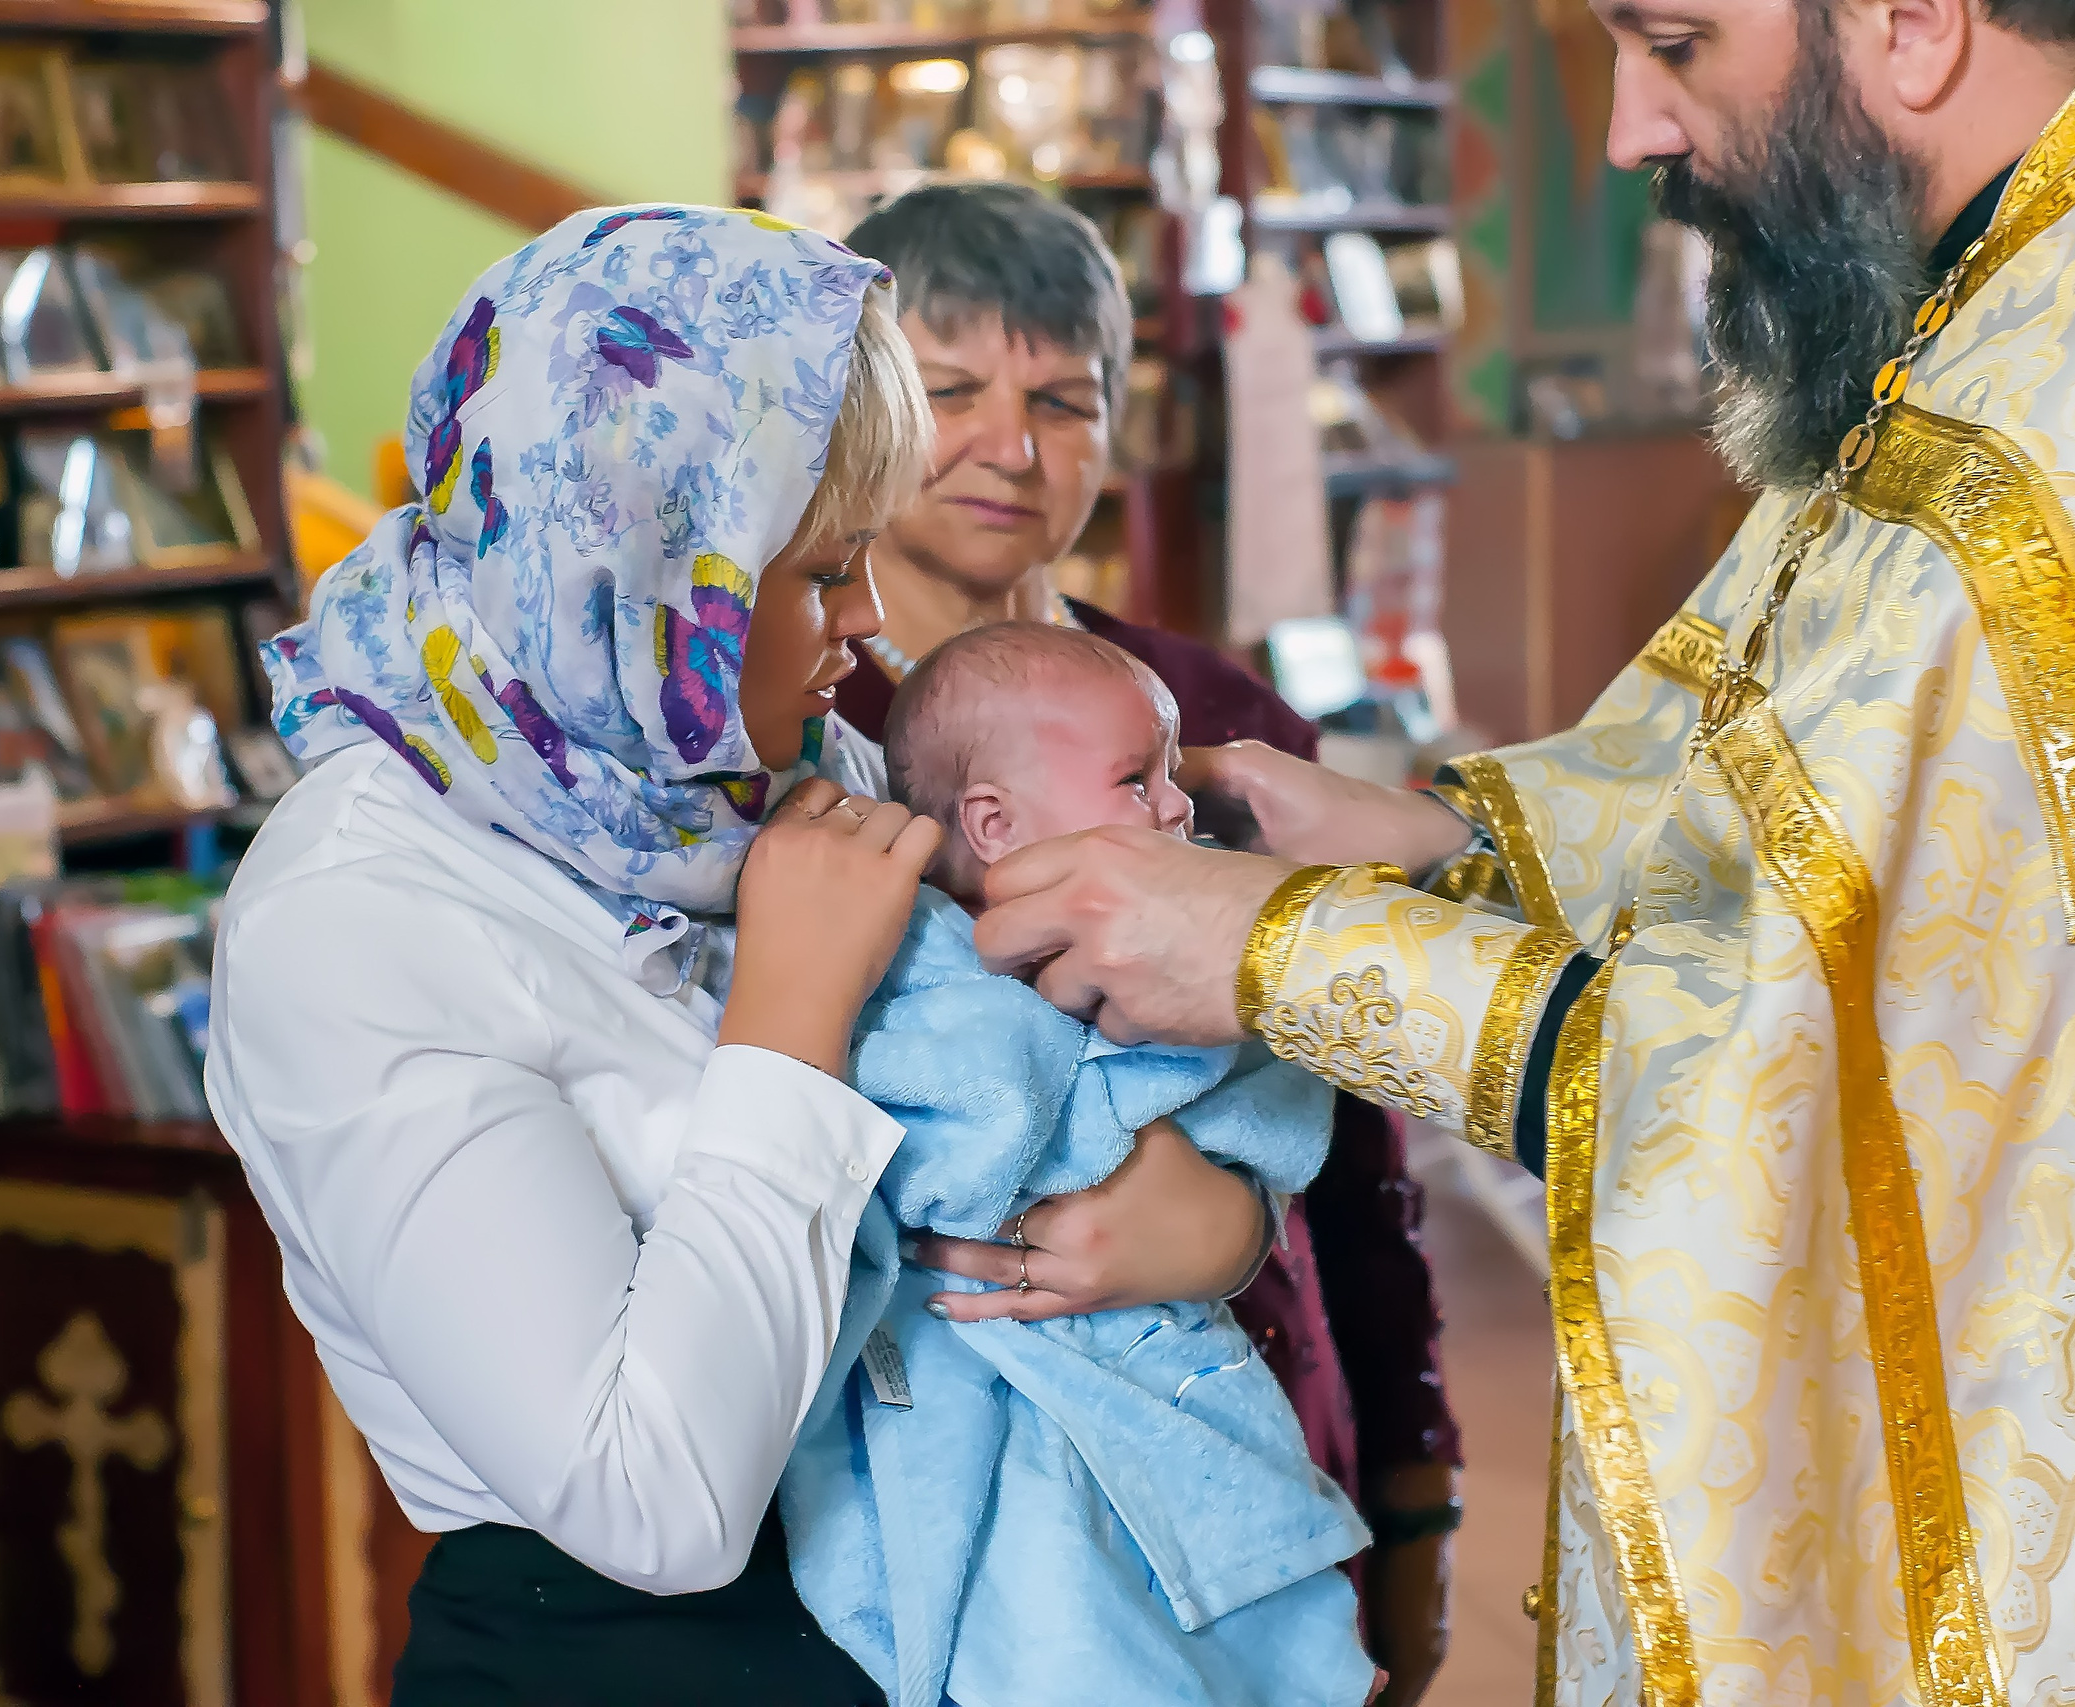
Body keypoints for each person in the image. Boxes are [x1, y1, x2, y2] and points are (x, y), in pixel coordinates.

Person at [963, 0, 2075, 1700]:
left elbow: (1855, 1079)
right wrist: (1449, 839)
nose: (1633, 131)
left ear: (1913, 24)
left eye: (1675, 45)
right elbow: (1830, 807)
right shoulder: (2045, 290)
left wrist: (1284, 952)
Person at [205, 206, 1272, 1706]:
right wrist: (784, 1022)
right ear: (641, 571)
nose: (868, 618)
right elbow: (656, 1498)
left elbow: (1075, 1110)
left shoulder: (748, 763)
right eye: (822, 567)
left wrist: (1218, 1226)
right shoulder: (353, 918)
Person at [832, 180, 1462, 1705]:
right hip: (960, 1482)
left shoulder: (1222, 721)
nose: (1015, 446)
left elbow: (1362, 1131)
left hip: (1249, 1402)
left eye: (1064, 397)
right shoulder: (806, 735)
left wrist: (1414, 1479)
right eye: (954, 390)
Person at [785, 622, 1377, 1707]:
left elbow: (1281, 1101)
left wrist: (1229, 1211)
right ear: (994, 824)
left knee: (1231, 1627)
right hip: (988, 1376)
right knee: (1063, 1614)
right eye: (1135, 780)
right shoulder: (910, 958)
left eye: (1170, 774)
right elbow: (930, 1152)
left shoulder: (1189, 944)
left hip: (1155, 1360)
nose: (1176, 807)